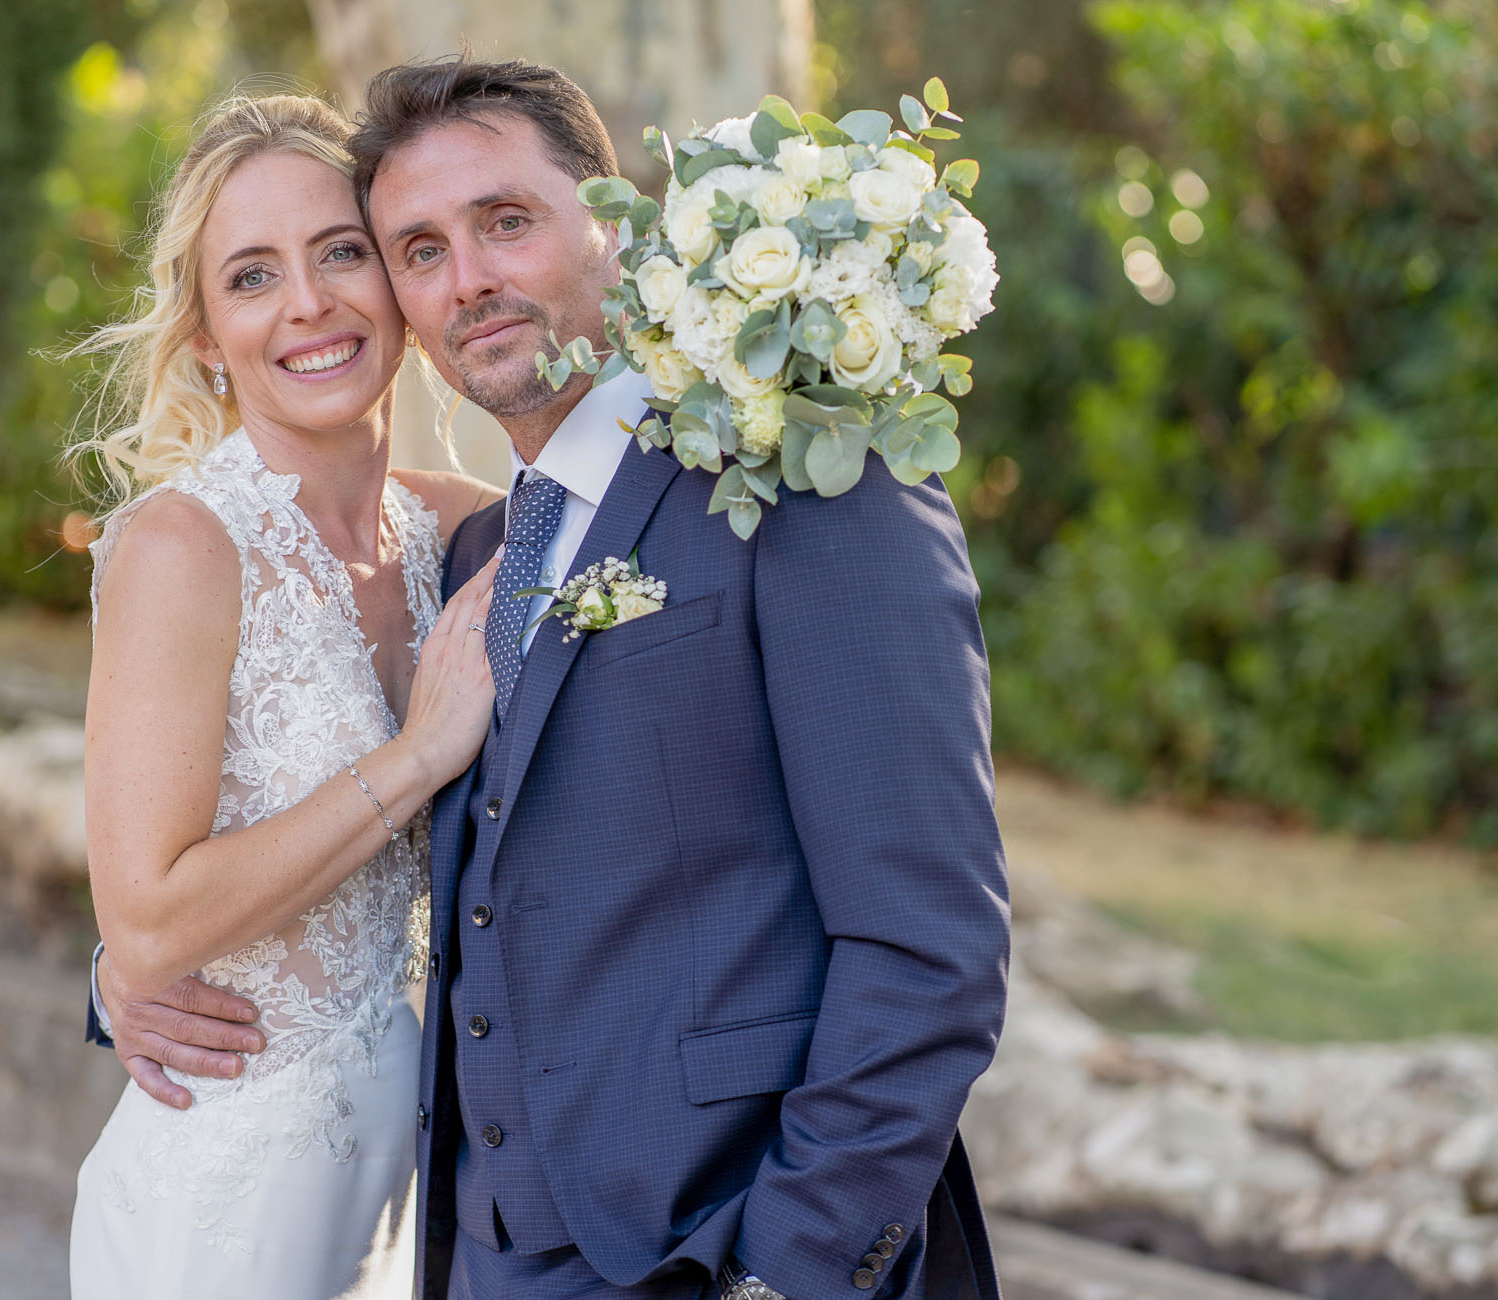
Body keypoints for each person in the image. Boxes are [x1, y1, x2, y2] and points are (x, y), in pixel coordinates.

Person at [99, 59, 1012, 1300]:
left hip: (722, 1250)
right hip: (462, 1250)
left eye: (506, 222)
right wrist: (124, 974)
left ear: (619, 224)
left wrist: (783, 1276)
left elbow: (927, 945)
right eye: (418, 247)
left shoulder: (800, 476)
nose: (466, 278)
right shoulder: (483, 551)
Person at [67, 92, 504, 1299]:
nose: (308, 303)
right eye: (252, 277)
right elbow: (147, 920)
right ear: (206, 332)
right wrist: (416, 758)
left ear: (401, 286)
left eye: (340, 252)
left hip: (398, 1193)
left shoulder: (464, 533)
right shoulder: (181, 547)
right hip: (221, 1199)